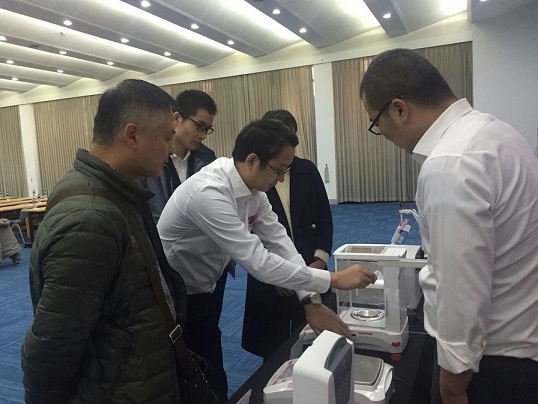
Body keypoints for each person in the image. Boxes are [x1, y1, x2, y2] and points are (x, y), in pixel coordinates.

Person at [359, 48, 538, 404]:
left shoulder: (449, 164)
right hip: (520, 340)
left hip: (488, 363)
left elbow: (461, 291)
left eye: (376, 124)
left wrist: (452, 385)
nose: (383, 135)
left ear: (399, 109)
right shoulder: (497, 133)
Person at [158, 118, 377, 402]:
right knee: (185, 368)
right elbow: (258, 261)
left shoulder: (254, 190)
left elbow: (280, 242)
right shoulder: (209, 193)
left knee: (209, 356)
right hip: (175, 291)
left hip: (208, 280)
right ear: (252, 160)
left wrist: (309, 299)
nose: (282, 179)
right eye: (279, 170)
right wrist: (333, 279)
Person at [21, 79, 188, 403]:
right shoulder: (90, 218)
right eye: (167, 138)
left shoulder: (116, 193)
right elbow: (53, 346)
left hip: (133, 380)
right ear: (132, 135)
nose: (171, 150)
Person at [242, 110, 334, 361]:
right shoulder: (254, 182)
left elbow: (324, 218)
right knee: (273, 348)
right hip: (269, 277)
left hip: (307, 262)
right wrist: (276, 277)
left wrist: (320, 260)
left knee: (315, 340)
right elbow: (251, 240)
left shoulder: (307, 170)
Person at [138, 89, 218, 224]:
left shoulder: (207, 159)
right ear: (176, 119)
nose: (203, 135)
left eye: (207, 129)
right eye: (199, 127)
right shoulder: (151, 158)